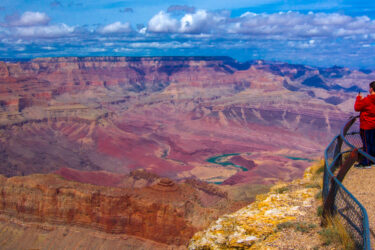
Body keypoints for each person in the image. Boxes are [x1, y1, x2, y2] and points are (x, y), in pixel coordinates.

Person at [354, 81, 375, 168]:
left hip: (366, 125)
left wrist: (358, 98)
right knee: (373, 143)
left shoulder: (367, 100)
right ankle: (373, 160)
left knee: (366, 144)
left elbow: (357, 108)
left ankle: (366, 162)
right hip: (374, 125)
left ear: (371, 89)